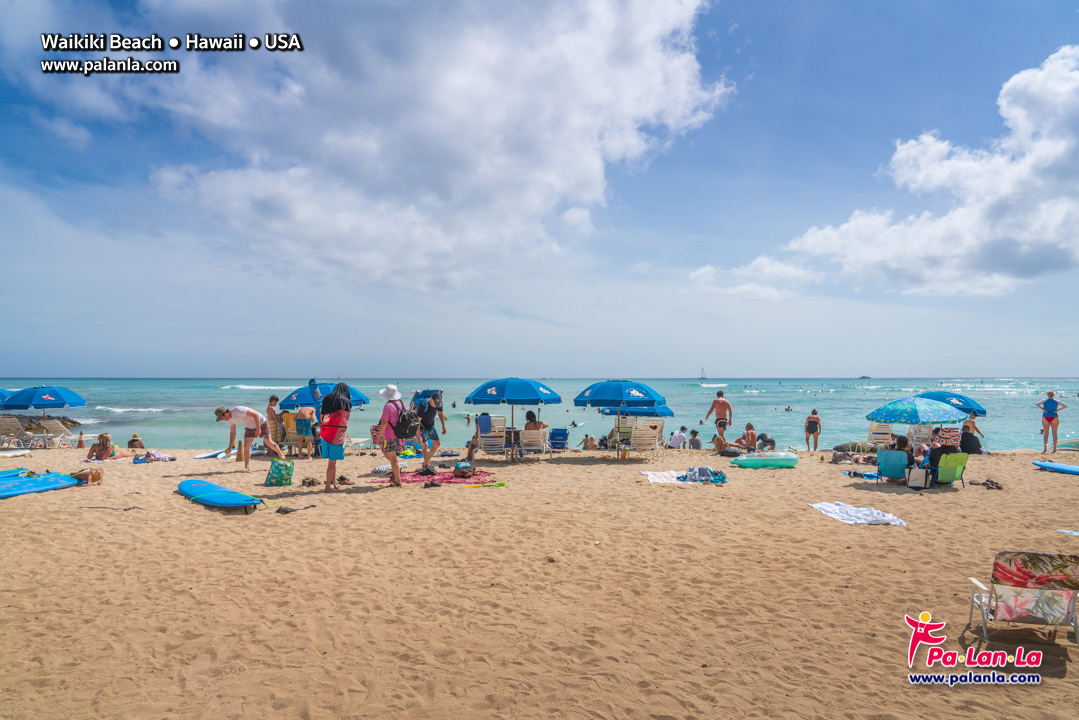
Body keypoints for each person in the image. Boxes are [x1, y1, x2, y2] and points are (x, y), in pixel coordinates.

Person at [214, 406, 286, 472]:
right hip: (250, 427)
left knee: (268, 443)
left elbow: (255, 415)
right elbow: (233, 433)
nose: (221, 420)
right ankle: (247, 467)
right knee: (246, 447)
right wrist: (230, 447)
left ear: (226, 414)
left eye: (221, 418)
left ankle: (281, 455)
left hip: (261, 423)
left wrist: (258, 429)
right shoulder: (230, 420)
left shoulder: (238, 410)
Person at [319, 382, 352, 492]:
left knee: (332, 461)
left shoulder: (327, 398)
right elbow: (344, 418)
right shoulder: (346, 402)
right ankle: (327, 487)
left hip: (325, 432)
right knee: (332, 462)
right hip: (336, 434)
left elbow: (323, 414)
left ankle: (335, 483)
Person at [376, 384, 406, 486]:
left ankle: (397, 481)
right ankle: (396, 470)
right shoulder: (402, 403)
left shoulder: (388, 406)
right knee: (385, 452)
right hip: (400, 435)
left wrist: (378, 436)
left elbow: (384, 422)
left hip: (390, 435)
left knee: (393, 459)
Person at [415, 391, 448, 473]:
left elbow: (440, 413)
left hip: (430, 426)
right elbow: (417, 421)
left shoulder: (439, 403)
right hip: (421, 427)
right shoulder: (423, 404)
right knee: (425, 445)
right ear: (430, 399)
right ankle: (427, 466)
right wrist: (418, 436)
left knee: (437, 443)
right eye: (435, 404)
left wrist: (443, 426)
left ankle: (425, 463)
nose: (436, 406)